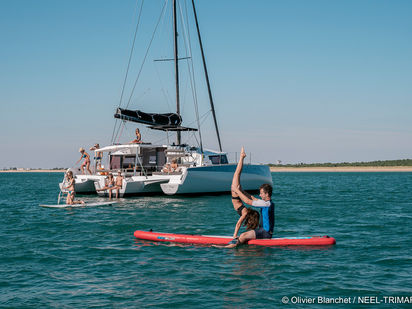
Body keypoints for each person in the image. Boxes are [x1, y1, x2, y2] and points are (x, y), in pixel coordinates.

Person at [231, 147, 250, 238]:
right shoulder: (245, 213)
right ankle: (242, 157)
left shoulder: (245, 213)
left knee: (237, 174)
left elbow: (240, 223)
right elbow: (238, 224)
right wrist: (235, 235)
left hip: (236, 195)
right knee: (237, 174)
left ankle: (242, 157)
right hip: (236, 195)